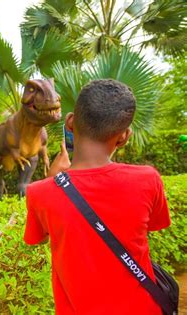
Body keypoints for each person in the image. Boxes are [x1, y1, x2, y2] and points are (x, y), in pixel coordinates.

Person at [24, 79, 170, 315]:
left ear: (70, 122)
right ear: (123, 137)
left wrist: (55, 180)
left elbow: (37, 238)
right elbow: (155, 224)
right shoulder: (148, 179)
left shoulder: (40, 191)